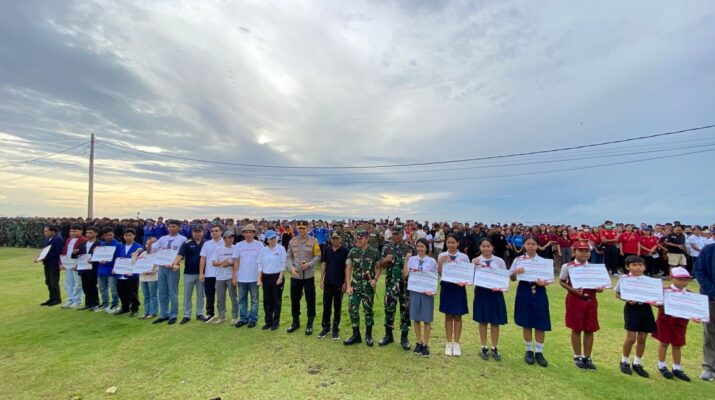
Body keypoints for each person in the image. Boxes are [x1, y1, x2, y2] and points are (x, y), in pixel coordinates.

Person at [560, 241, 605, 370]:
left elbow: (598, 285)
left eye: (587, 251)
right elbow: (562, 281)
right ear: (574, 252)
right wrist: (572, 290)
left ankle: (587, 357)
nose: (584, 253)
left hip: (590, 300)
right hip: (575, 300)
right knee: (576, 328)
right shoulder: (567, 266)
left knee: (590, 329)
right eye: (581, 250)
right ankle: (577, 356)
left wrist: (599, 289)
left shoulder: (593, 267)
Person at [510, 236, 551, 367]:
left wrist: (544, 283)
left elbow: (549, 279)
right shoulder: (518, 260)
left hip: (539, 291)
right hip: (524, 290)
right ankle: (529, 350)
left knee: (540, 322)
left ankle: (539, 352)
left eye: (533, 244)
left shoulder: (543, 261)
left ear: (537, 246)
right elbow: (512, 278)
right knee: (526, 321)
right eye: (528, 244)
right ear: (524, 245)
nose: (531, 246)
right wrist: (515, 272)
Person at [615, 255, 657, 377]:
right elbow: (617, 294)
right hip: (632, 309)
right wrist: (627, 299)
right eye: (634, 265)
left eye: (640, 265)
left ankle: (637, 363)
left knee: (642, 337)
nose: (638, 267)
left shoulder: (648, 281)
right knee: (631, 338)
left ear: (644, 267)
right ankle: (624, 361)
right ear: (627, 267)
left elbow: (654, 295)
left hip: (645, 309)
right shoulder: (624, 280)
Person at [654, 267, 696, 381]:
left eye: (686, 280)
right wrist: (668, 310)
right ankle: (662, 365)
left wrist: (696, 316)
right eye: (680, 279)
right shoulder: (664, 291)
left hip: (681, 323)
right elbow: (657, 303)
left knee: (677, 345)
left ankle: (677, 368)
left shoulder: (690, 294)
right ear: (672, 278)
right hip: (665, 321)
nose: (683, 282)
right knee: (664, 343)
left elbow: (693, 309)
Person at [379, 225, 416, 350]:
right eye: (393, 234)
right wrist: (385, 260)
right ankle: (388, 335)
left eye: (397, 234)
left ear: (402, 234)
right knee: (389, 309)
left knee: (405, 311)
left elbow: (416, 267)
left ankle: (404, 337)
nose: (395, 236)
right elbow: (381, 265)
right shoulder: (387, 247)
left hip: (406, 285)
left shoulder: (410, 248)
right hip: (391, 284)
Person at [472, 238, 508, 361]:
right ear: (480, 247)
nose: (486, 248)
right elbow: (470, 277)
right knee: (482, 320)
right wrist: (472, 265)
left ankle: (494, 347)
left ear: (493, 247)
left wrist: (502, 286)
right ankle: (484, 347)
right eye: (483, 246)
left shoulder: (499, 261)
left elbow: (504, 277)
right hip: (481, 293)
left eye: (488, 246)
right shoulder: (475, 261)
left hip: (495, 293)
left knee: (495, 321)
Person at [344, 229, 380, 346]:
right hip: (355, 286)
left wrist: (375, 279)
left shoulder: (374, 252)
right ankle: (356, 335)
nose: (358, 240)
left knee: (368, 310)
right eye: (357, 238)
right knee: (353, 309)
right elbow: (348, 268)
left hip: (367, 287)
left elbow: (378, 268)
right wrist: (348, 285)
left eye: (360, 238)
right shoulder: (353, 251)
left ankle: (368, 335)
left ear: (367, 239)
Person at [285, 220, 321, 335]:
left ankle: (310, 323)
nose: (301, 230)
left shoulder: (314, 241)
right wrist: (291, 268)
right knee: (294, 299)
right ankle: (295, 322)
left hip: (308, 275)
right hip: (296, 275)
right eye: (299, 228)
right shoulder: (292, 241)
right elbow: (289, 256)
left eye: (303, 228)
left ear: (307, 228)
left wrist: (309, 264)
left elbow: (318, 256)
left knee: (310, 300)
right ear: (297, 229)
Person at [149, 220, 187, 325]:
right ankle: (163, 314)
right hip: (162, 267)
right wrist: (151, 243)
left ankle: (173, 315)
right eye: (169, 226)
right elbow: (152, 249)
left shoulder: (183, 239)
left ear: (179, 228)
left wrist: (175, 263)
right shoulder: (163, 239)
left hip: (173, 268)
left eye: (174, 226)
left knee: (172, 292)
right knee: (162, 292)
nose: (171, 228)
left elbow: (183, 254)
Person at [437, 234, 470, 357]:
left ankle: (456, 343)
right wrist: (441, 262)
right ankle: (449, 342)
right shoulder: (441, 255)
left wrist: (464, 282)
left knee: (458, 316)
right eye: (448, 242)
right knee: (448, 316)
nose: (450, 245)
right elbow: (440, 273)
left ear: (458, 243)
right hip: (447, 287)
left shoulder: (464, 257)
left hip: (459, 289)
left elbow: (467, 274)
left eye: (453, 242)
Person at [404, 238, 437, 357]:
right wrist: (406, 260)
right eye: (418, 246)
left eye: (422, 246)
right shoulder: (412, 259)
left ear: (426, 248)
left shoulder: (432, 261)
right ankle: (418, 342)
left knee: (427, 319)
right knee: (416, 318)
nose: (420, 248)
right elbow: (405, 274)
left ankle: (425, 344)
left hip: (427, 293)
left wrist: (433, 290)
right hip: (415, 291)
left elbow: (435, 277)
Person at [232, 224, 263, 328]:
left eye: (250, 232)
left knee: (254, 300)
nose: (248, 234)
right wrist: (234, 276)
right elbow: (236, 261)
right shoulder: (239, 245)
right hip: (242, 277)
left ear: (254, 233)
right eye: (246, 232)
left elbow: (261, 262)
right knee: (242, 299)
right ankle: (243, 318)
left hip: (254, 278)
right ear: (243, 234)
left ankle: (253, 319)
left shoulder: (259, 245)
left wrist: (260, 277)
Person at [319, 231, 349, 340]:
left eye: (337, 238)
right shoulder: (327, 249)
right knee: (326, 306)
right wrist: (321, 279)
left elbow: (347, 267)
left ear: (340, 239)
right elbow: (324, 263)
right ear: (330, 239)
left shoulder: (345, 250)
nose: (335, 240)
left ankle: (335, 329)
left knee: (337, 307)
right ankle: (326, 327)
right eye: (333, 238)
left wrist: (346, 282)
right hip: (328, 282)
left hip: (339, 283)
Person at [174, 226, 206, 324]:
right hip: (189, 273)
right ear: (192, 233)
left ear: (202, 232)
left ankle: (199, 313)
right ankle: (186, 315)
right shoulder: (187, 243)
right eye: (195, 231)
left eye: (199, 231)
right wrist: (175, 263)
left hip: (202, 273)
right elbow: (180, 255)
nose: (197, 233)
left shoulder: (206, 243)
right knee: (187, 295)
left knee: (200, 294)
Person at [257, 230, 286, 330]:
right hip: (266, 277)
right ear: (267, 240)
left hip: (277, 276)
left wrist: (280, 277)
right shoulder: (263, 250)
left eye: (274, 238)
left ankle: (276, 322)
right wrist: (259, 279)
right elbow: (260, 265)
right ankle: (268, 322)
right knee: (267, 300)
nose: (273, 240)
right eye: (271, 238)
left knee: (276, 300)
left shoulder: (281, 249)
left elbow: (283, 264)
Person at [694, 243, 715, 382]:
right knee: (710, 332)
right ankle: (709, 368)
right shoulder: (709, 250)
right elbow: (699, 271)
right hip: (710, 298)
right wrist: (713, 292)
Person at [114, 228, 144, 316]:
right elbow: (117, 258)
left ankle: (135, 309)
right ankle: (125, 307)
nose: (127, 237)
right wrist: (114, 268)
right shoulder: (120, 246)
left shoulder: (139, 247)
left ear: (134, 236)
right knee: (121, 291)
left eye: (130, 235)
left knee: (132, 292)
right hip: (120, 272)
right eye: (126, 235)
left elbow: (140, 261)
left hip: (132, 273)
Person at [199, 225, 225, 323]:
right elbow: (203, 258)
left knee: (221, 296)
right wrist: (201, 273)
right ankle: (210, 313)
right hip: (209, 273)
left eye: (216, 231)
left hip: (221, 274)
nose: (214, 232)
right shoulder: (207, 244)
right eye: (212, 231)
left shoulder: (225, 243)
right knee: (209, 295)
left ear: (221, 232)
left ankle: (222, 314)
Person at [212, 231, 238, 325]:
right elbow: (214, 263)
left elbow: (237, 262)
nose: (231, 239)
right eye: (229, 237)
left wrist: (230, 264)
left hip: (231, 277)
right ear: (224, 239)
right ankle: (222, 317)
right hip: (220, 277)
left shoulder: (235, 248)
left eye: (232, 237)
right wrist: (223, 263)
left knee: (233, 297)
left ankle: (234, 317)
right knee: (220, 298)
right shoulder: (218, 249)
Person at [35, 224, 65, 306]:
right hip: (47, 263)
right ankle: (51, 298)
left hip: (54, 263)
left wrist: (44, 257)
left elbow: (58, 252)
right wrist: (39, 257)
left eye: (46, 231)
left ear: (53, 231)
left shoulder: (57, 239)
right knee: (48, 281)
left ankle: (57, 299)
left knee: (53, 282)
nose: (45, 233)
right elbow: (44, 250)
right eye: (44, 231)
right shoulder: (48, 238)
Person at [60, 224, 87, 308]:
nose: (72, 233)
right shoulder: (69, 239)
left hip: (77, 264)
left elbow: (84, 254)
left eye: (75, 231)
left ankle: (77, 300)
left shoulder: (84, 240)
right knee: (68, 283)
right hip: (68, 263)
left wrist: (78, 265)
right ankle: (69, 299)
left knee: (78, 283)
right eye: (71, 231)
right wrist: (61, 263)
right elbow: (64, 251)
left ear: (81, 231)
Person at [97, 227, 120, 313]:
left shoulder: (118, 245)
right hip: (101, 270)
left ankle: (115, 305)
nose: (108, 237)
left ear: (114, 234)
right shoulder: (101, 244)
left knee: (113, 289)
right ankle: (105, 304)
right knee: (102, 289)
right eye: (106, 235)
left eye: (110, 235)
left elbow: (119, 258)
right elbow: (97, 256)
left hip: (111, 270)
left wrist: (108, 262)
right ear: (103, 236)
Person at [79, 226, 101, 311]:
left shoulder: (99, 244)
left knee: (92, 286)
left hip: (93, 268)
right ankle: (88, 303)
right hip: (83, 267)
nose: (88, 234)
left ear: (96, 233)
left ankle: (95, 303)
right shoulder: (83, 243)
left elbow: (101, 257)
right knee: (85, 286)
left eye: (90, 233)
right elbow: (80, 256)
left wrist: (93, 260)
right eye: (87, 232)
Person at [138, 239, 159, 319]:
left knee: (153, 295)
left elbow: (159, 266)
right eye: (147, 243)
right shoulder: (143, 253)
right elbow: (135, 264)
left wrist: (153, 271)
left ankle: (153, 312)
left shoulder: (157, 254)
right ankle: (146, 312)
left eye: (151, 243)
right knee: (146, 296)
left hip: (152, 278)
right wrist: (135, 253)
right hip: (143, 278)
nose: (148, 245)